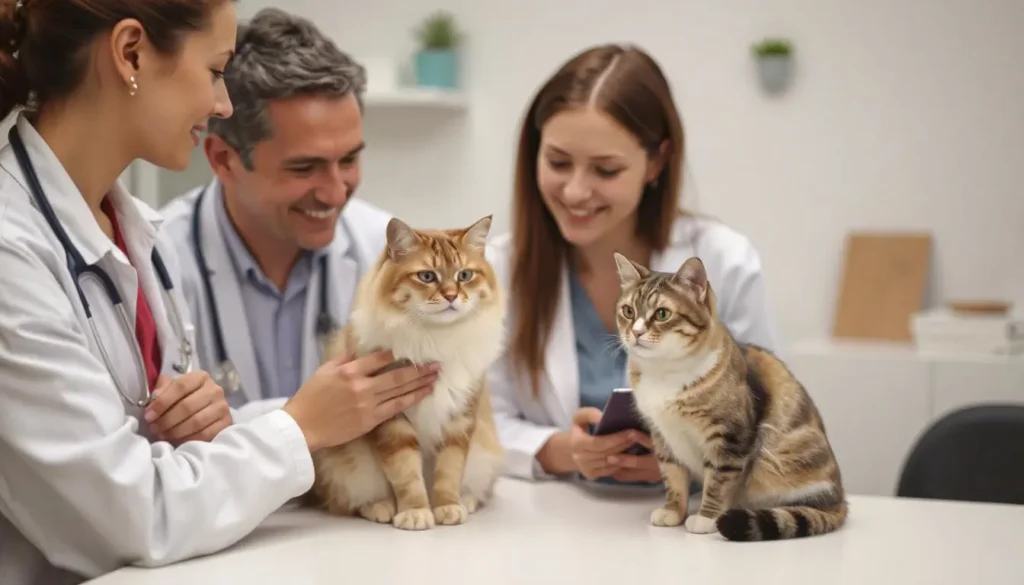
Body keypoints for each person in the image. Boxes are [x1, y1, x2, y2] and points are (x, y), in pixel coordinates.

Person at [0, 3, 436, 584]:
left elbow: (165, 460)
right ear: (130, 53)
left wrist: (202, 423)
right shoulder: (12, 249)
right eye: (214, 71)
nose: (222, 104)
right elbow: (134, 519)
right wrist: (301, 426)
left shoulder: (137, 235)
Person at [486, 44, 781, 484]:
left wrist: (687, 463)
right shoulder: (499, 269)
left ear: (656, 162)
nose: (575, 192)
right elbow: (484, 420)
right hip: (551, 526)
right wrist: (562, 451)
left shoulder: (724, 261)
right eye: (558, 162)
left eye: (605, 171)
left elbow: (773, 421)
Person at [158, 8, 397, 420]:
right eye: (304, 168)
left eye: (350, 159)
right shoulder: (159, 262)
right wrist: (310, 417)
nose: (336, 191)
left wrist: (237, 421)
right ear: (224, 160)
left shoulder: (384, 253)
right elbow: (163, 446)